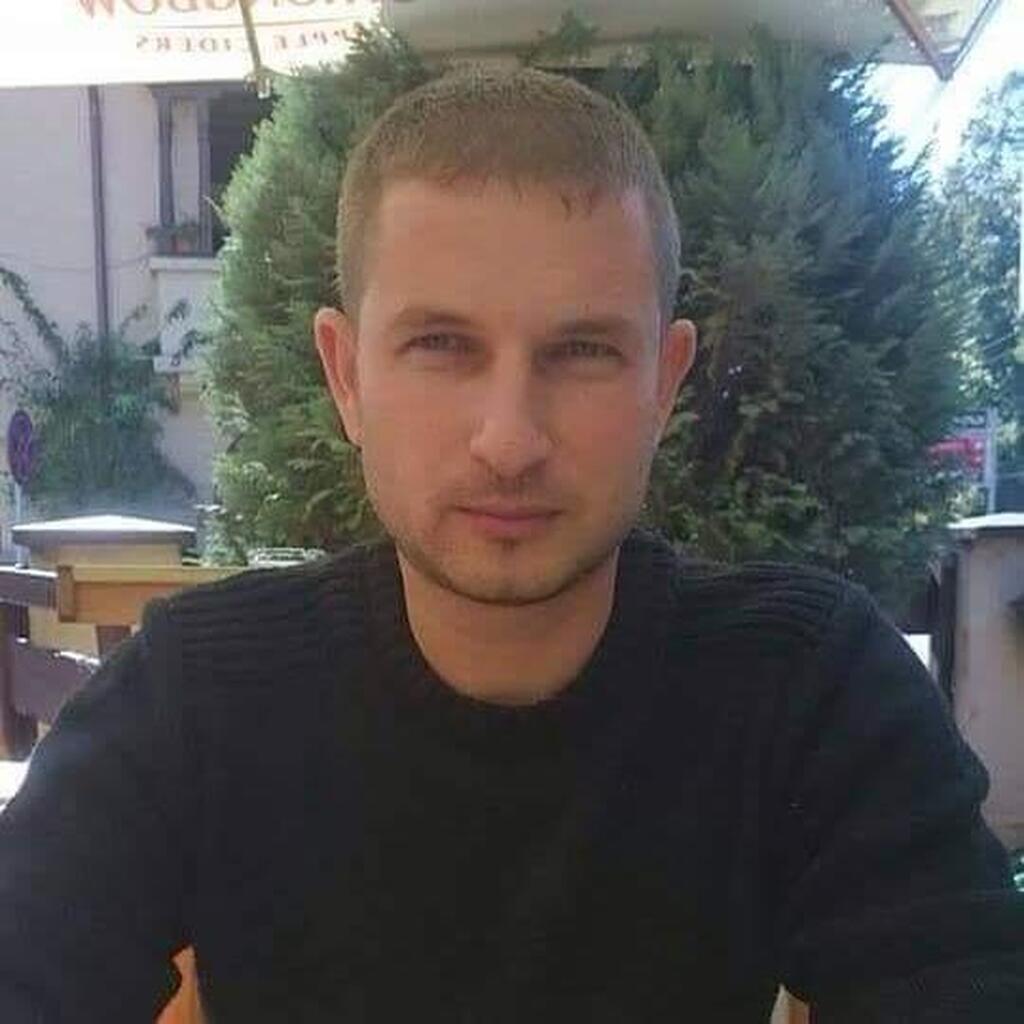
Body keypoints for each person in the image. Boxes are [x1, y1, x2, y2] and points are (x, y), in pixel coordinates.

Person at [1, 67, 1022, 1023]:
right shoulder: (196, 696)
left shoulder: (805, 684)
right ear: (347, 376)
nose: (509, 440)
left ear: (663, 383)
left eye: (582, 351)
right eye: (441, 345)